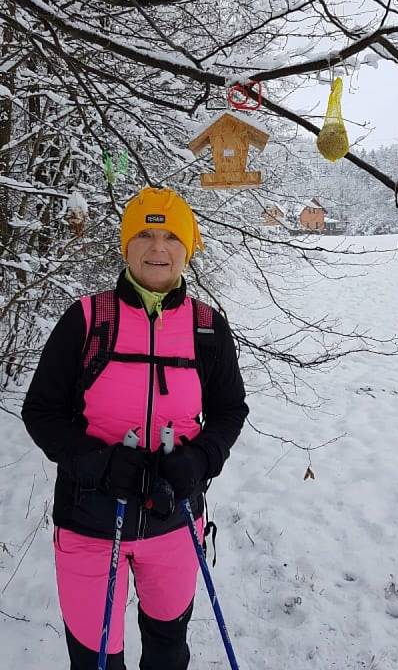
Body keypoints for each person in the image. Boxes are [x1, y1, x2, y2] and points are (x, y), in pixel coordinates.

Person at [22, 186, 248, 670]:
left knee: (168, 652)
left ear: (188, 247)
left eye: (171, 235)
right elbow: (41, 410)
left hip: (174, 520)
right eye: (145, 233)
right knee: (96, 659)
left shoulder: (207, 327)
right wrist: (95, 464)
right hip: (89, 522)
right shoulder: (88, 319)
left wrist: (200, 460)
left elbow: (230, 410)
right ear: (126, 245)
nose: (158, 247)